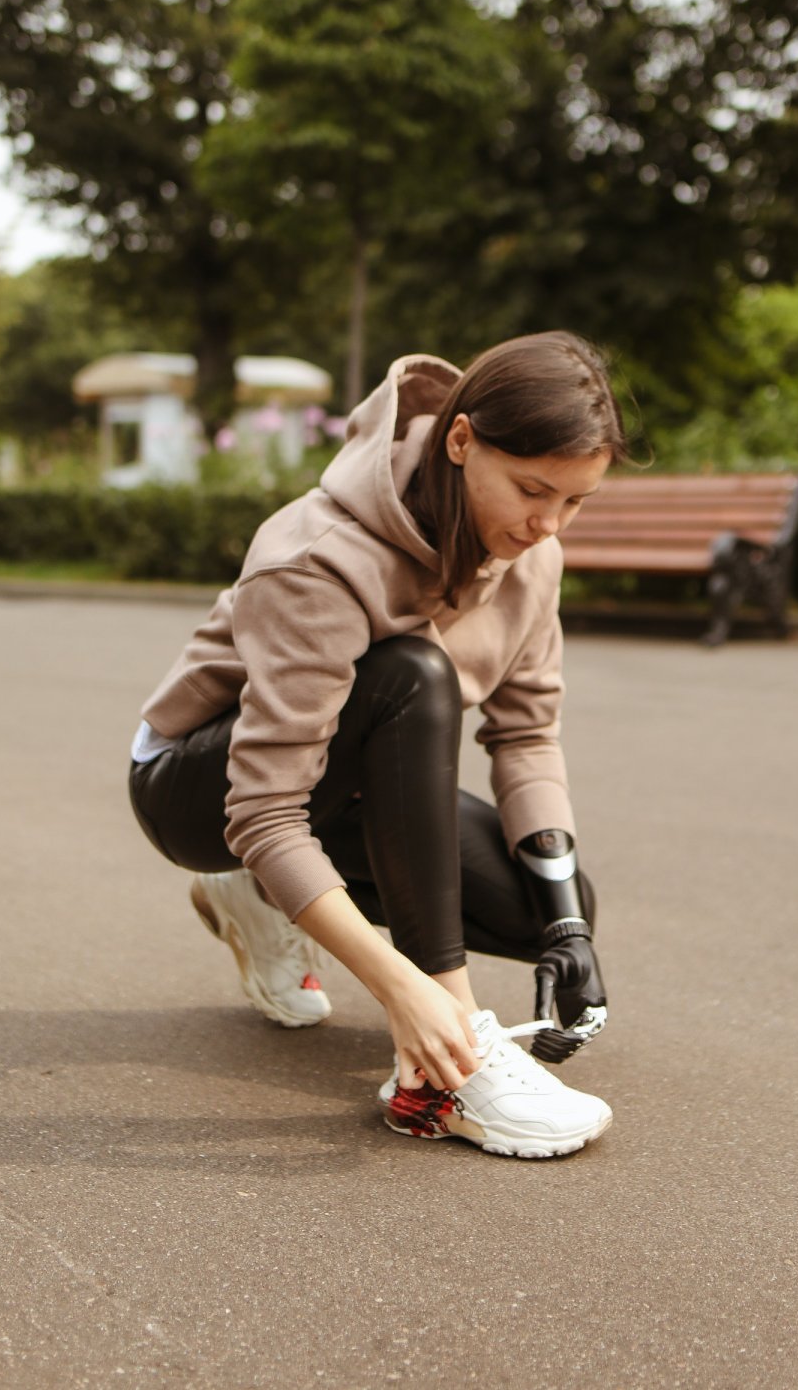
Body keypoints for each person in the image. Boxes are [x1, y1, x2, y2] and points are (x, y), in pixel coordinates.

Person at [129, 331, 626, 1158]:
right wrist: (410, 992)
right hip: (199, 790)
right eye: (533, 490)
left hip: (345, 786)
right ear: (460, 441)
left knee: (541, 905)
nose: (548, 524)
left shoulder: (534, 558)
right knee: (411, 674)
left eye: (575, 502)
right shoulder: (318, 557)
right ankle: (449, 1065)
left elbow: (527, 731)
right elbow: (263, 808)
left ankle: (263, 899)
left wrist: (568, 925)